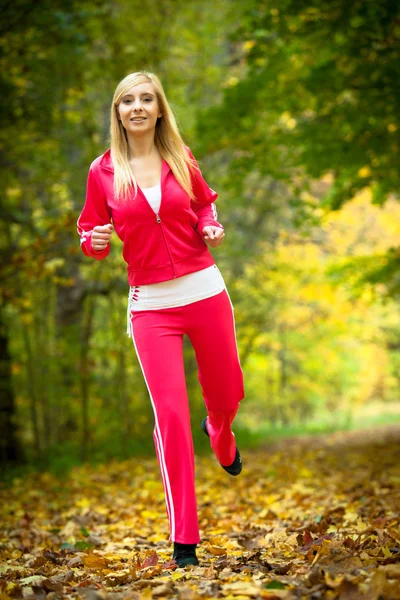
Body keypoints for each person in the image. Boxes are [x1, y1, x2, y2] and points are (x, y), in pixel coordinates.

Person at [77, 71, 245, 567]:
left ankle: (220, 430)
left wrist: (211, 225)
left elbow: (204, 206)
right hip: (150, 306)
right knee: (170, 416)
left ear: (158, 109)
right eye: (127, 100)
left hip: (204, 292)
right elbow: (89, 228)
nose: (137, 107)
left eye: (146, 99)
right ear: (118, 111)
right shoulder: (102, 171)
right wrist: (95, 243)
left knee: (228, 391)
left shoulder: (180, 158)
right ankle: (184, 540)